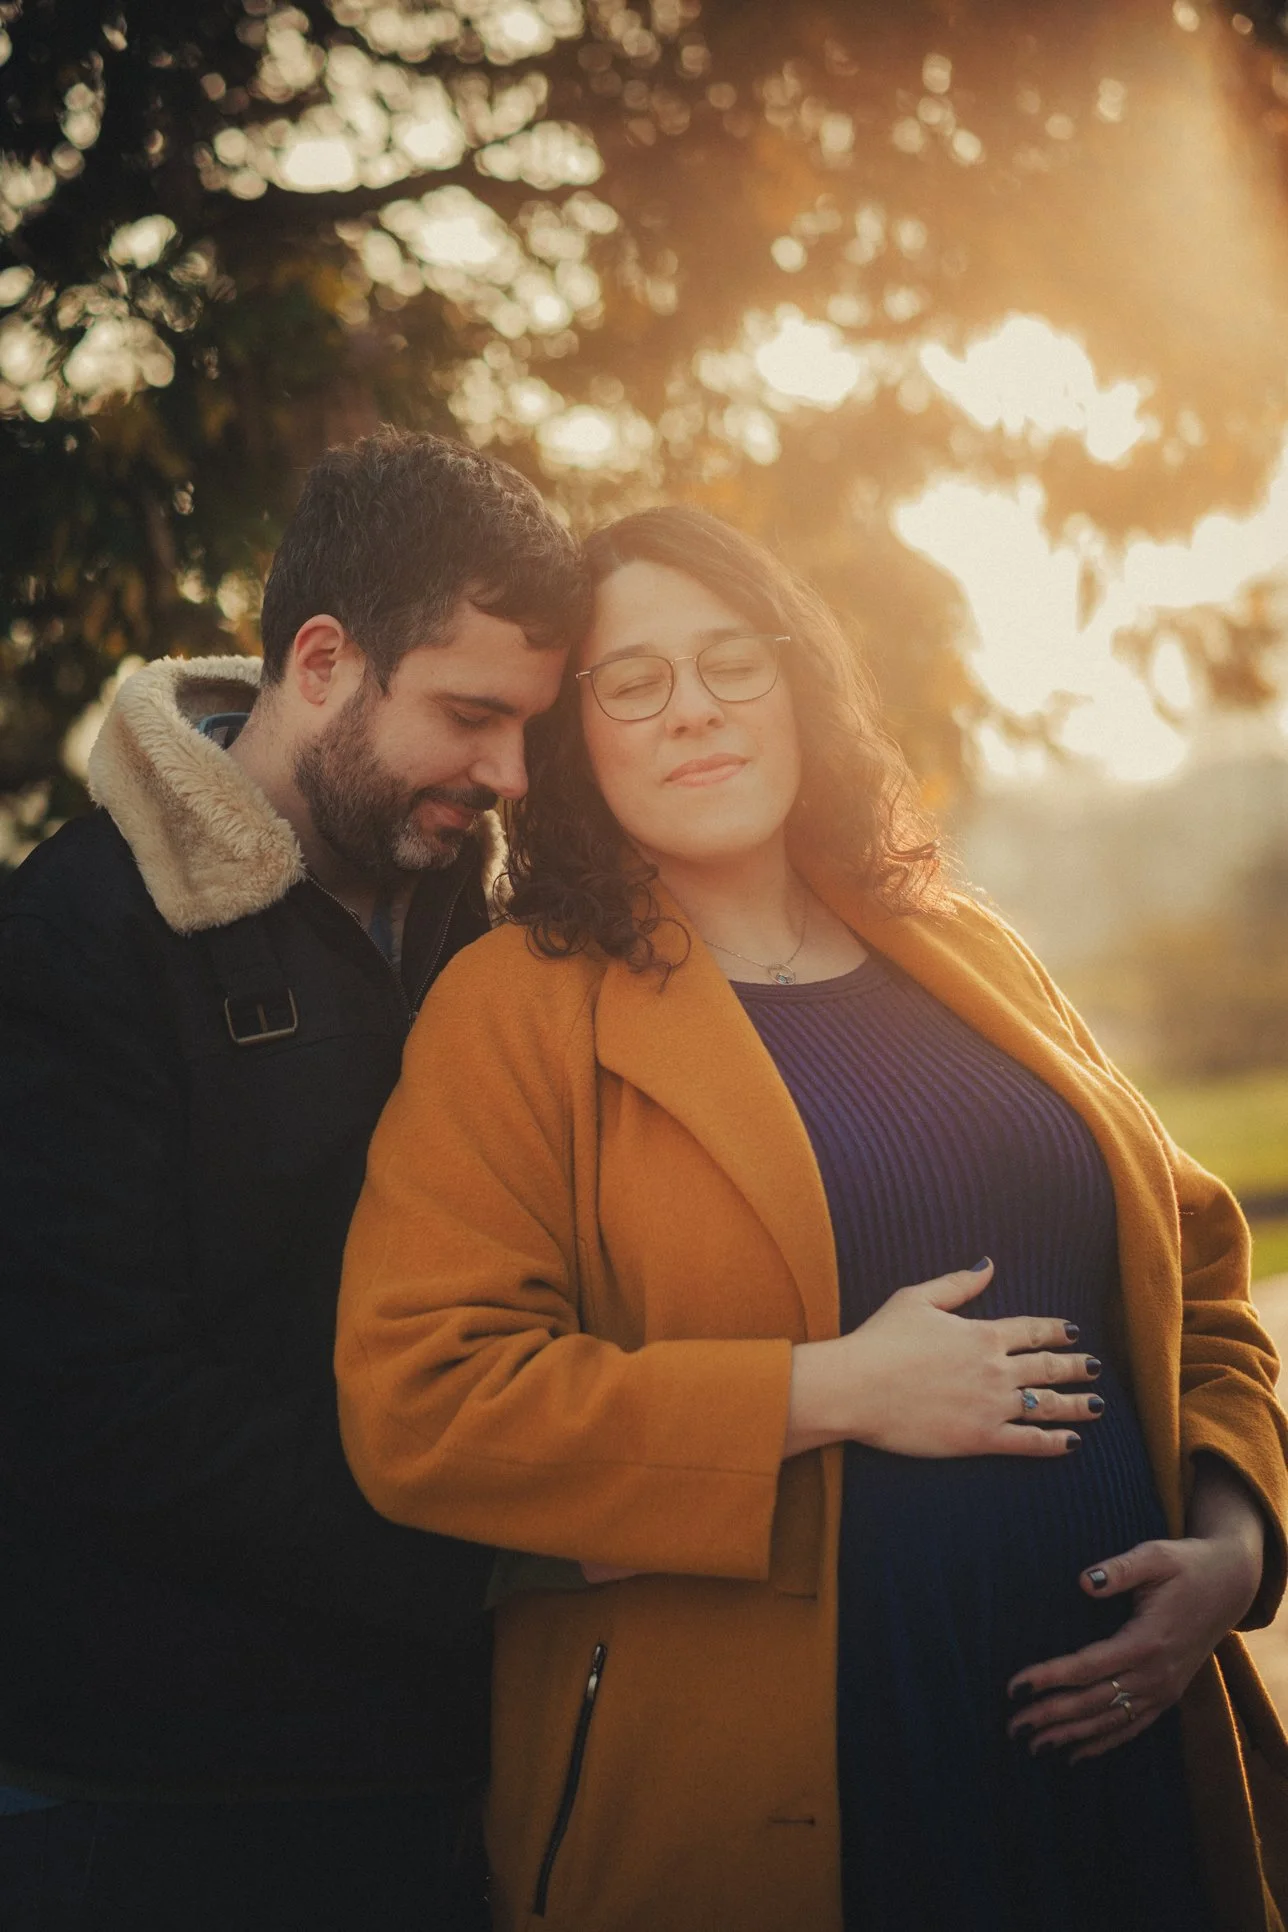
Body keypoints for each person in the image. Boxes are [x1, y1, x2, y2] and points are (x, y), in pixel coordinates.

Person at [336, 506, 1288, 1932]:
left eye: (734, 658)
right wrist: (829, 1390)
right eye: (633, 681)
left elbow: (1196, 1272)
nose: (695, 709)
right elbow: (425, 1399)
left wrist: (1234, 1544)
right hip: (777, 1790)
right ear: (576, 739)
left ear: (801, 681)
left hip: (1123, 1772)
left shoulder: (962, 944)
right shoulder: (515, 1007)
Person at [0, 429, 588, 1930]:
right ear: (323, 661)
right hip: (151, 1802)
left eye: (528, 726)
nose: (509, 775)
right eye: (471, 715)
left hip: (451, 1768)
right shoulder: (77, 933)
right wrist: (508, 1540)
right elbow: (99, 1404)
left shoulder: (496, 930)